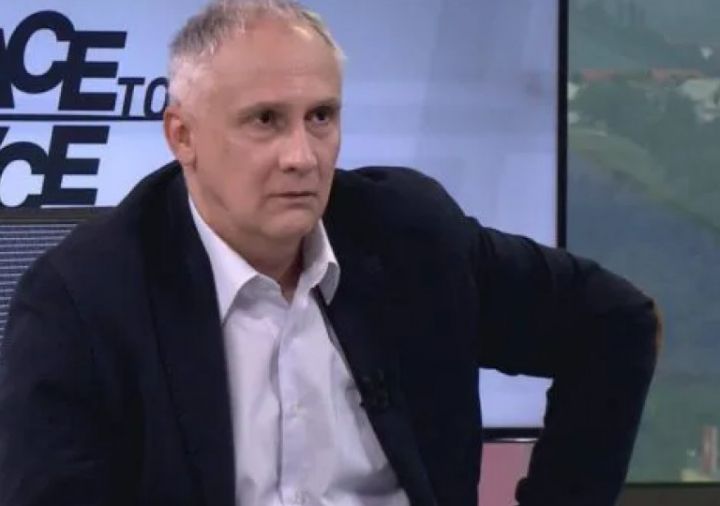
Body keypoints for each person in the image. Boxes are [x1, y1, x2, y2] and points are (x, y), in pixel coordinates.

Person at [0, 1, 660, 505]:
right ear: (183, 136)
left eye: (321, 117)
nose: (302, 156)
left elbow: (614, 323)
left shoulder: (409, 238)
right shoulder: (83, 302)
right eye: (265, 120)